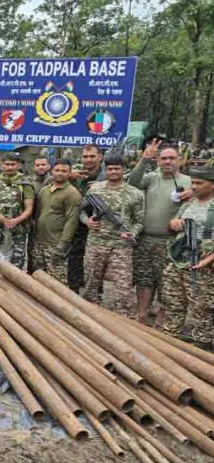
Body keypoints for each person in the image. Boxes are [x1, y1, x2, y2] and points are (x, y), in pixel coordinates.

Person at [128, 141, 192, 324]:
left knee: (167, 282)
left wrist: (193, 194)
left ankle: (160, 321)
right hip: (146, 239)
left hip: (171, 241)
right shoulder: (152, 178)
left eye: (172, 158)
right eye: (163, 158)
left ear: (180, 160)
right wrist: (144, 160)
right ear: (158, 161)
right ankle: (141, 315)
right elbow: (133, 182)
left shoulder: (188, 182)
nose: (167, 162)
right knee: (144, 279)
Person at [79, 153, 144, 317]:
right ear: (105, 170)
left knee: (123, 289)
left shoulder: (135, 194)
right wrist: (87, 221)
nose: (113, 172)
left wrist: (132, 233)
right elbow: (82, 211)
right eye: (110, 169)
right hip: (96, 244)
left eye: (117, 168)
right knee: (90, 285)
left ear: (124, 170)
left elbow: (139, 221)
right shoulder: (95, 189)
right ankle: (89, 318)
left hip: (121, 247)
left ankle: (123, 320)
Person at [158, 165, 214, 349]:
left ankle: (202, 348)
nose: (194, 187)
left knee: (202, 309)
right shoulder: (188, 204)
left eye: (199, 183)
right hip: (178, 262)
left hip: (202, 267)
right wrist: (173, 224)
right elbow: (171, 230)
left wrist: (206, 261)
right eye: (193, 183)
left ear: (212, 185)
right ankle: (170, 342)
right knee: (173, 303)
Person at [31, 159, 81, 284]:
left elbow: (72, 221)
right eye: (57, 170)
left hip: (55, 244)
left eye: (64, 171)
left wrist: (62, 244)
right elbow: (38, 214)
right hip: (39, 242)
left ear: (69, 173)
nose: (60, 173)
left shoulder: (72, 194)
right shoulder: (45, 190)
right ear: (52, 171)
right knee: (38, 278)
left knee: (57, 281)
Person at [0, 152, 35, 268]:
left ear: (18, 165)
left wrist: (16, 220)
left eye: (13, 164)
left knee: (15, 265)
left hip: (17, 232)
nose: (9, 167)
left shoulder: (25, 184)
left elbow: (29, 209)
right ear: (2, 165)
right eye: (7, 164)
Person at [68, 143, 106, 291]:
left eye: (92, 156)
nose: (88, 160)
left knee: (97, 261)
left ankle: (95, 292)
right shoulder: (76, 173)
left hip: (99, 224)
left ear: (100, 157)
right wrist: (69, 176)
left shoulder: (106, 174)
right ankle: (74, 289)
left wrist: (103, 184)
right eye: (85, 156)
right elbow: (53, 178)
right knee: (75, 256)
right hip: (77, 223)